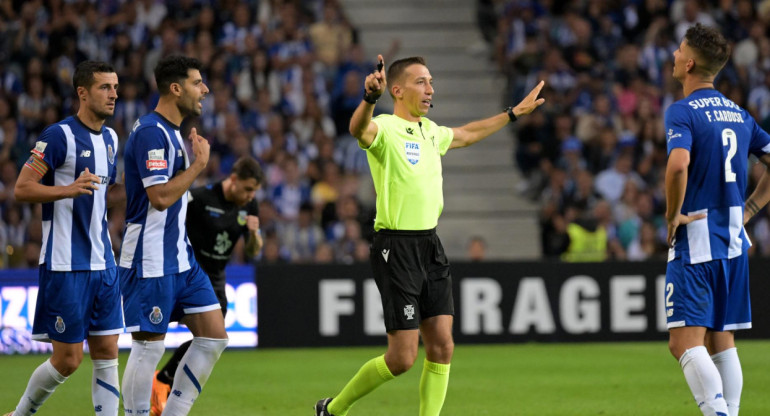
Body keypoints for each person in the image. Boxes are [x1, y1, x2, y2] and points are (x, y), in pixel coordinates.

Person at [315, 55, 544, 416]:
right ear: (398, 90)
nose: (430, 89)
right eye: (422, 81)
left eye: (431, 81)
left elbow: (467, 134)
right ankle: (334, 408)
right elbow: (359, 130)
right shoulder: (385, 128)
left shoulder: (430, 131)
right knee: (402, 358)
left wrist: (512, 114)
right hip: (396, 246)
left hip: (429, 245)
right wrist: (368, 100)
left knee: (442, 346)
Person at [5, 61, 124, 416]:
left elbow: (105, 193)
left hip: (105, 264)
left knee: (107, 353)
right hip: (65, 263)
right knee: (68, 360)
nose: (114, 94)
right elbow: (21, 188)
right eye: (105, 87)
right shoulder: (59, 136)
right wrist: (67, 189)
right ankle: (21, 414)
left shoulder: (112, 138)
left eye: (115, 87)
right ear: (82, 93)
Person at [664, 23, 770, 416]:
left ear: (690, 63)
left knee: (683, 342)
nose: (674, 55)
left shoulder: (683, 111)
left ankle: (718, 413)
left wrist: (673, 213)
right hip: (733, 242)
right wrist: (749, 211)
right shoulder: (739, 114)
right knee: (720, 339)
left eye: (678, 50)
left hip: (696, 240)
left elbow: (678, 166)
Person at [118, 55, 228, 416]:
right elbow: (160, 197)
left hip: (180, 258)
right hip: (151, 258)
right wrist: (198, 165)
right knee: (148, 348)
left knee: (213, 336)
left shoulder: (172, 133)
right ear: (176, 88)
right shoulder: (151, 131)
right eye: (198, 83)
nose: (205, 90)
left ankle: (174, 412)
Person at [149, 155, 264, 414]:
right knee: (173, 332)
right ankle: (159, 382)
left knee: (212, 337)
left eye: (254, 191)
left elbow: (254, 251)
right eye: (247, 189)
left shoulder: (250, 206)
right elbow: (168, 219)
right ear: (232, 179)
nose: (250, 195)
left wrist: (255, 234)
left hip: (217, 276)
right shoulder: (200, 198)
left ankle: (163, 380)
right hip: (189, 273)